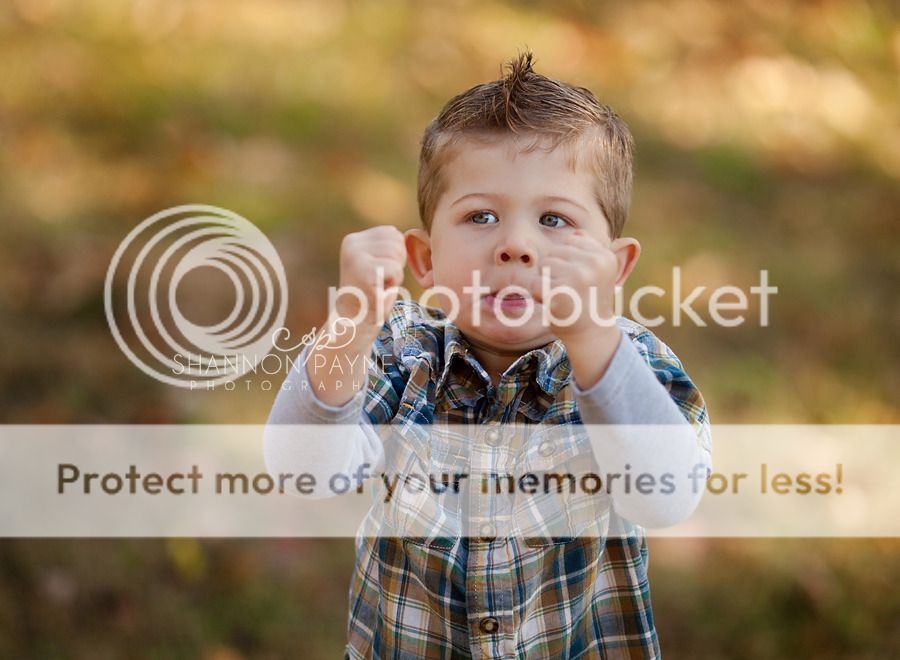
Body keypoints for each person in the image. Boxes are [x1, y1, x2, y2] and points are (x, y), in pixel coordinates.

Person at [266, 50, 712, 659]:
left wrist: (592, 343)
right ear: (424, 261)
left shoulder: (636, 364)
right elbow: (305, 473)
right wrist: (350, 326)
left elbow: (665, 499)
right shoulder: (400, 352)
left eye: (554, 219)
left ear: (614, 268)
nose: (516, 246)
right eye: (481, 216)